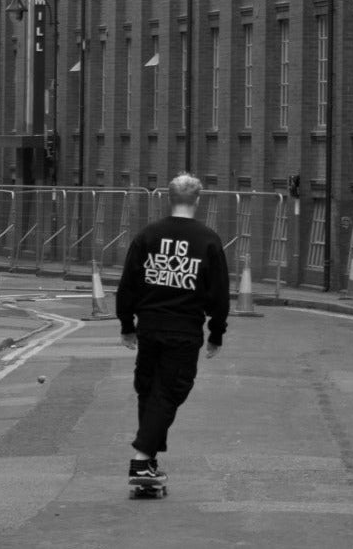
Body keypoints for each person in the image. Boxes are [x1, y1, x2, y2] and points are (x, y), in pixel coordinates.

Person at [116, 172, 230, 488]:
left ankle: (149, 461)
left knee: (150, 390)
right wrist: (216, 333)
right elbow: (219, 293)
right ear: (197, 200)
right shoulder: (208, 240)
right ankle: (140, 462)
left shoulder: (148, 236)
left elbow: (127, 285)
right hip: (183, 330)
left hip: (149, 327)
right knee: (169, 392)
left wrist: (127, 325)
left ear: (169, 198)